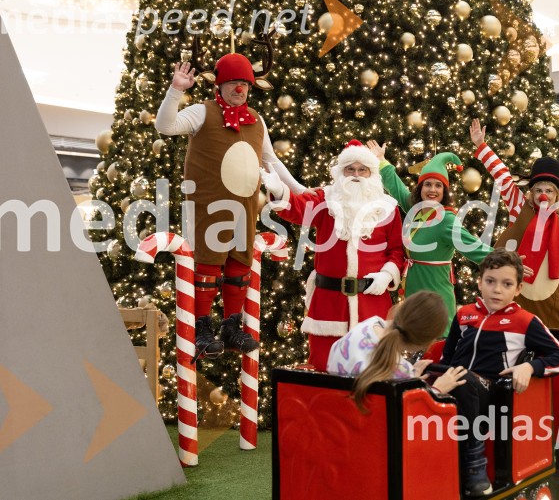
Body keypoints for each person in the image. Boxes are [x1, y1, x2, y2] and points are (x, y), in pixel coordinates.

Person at [155, 58, 306, 360]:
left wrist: (301, 190)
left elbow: (271, 161)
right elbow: (165, 125)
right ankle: (201, 327)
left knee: (240, 266)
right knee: (207, 266)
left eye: (246, 84)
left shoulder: (256, 119)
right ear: (219, 85)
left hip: (245, 207)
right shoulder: (202, 112)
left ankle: (231, 325)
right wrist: (175, 90)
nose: (240, 89)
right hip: (206, 207)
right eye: (234, 83)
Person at [261, 140, 406, 371]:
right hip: (329, 306)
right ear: (341, 172)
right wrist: (280, 191)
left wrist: (386, 276)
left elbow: (397, 251)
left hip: (372, 305)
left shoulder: (388, 208)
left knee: (373, 375)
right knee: (324, 370)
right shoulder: (325, 199)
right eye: (350, 169)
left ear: (371, 174)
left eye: (362, 170)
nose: (356, 175)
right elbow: (298, 209)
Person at [441, 249, 559, 496]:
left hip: (492, 395)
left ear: (518, 289)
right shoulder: (463, 314)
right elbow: (447, 357)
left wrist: (529, 366)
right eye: (490, 282)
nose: (497, 290)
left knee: (463, 379)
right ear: (479, 283)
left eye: (507, 284)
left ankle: (474, 463)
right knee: (444, 377)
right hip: (454, 385)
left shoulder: (525, 321)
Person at [366, 141, 493, 334]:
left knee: (435, 343)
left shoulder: (446, 220)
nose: (432, 190)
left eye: (438, 186)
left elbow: (475, 248)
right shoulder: (416, 211)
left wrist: (510, 262)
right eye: (427, 184)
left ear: (444, 191)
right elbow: (397, 188)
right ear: (420, 188)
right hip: (412, 295)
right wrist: (381, 160)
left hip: (435, 295)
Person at [470, 119, 559, 329]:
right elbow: (502, 175)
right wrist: (481, 145)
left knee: (551, 335)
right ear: (531, 192)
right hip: (519, 287)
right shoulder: (519, 204)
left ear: (556, 194)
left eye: (549, 191)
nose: (543, 195)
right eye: (539, 190)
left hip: (552, 291)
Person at [327, 291, 467, 410]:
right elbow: (412, 420)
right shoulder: (402, 373)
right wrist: (436, 391)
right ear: (425, 343)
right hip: (366, 436)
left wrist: (412, 380)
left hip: (329, 424)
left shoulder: (365, 326)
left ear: (401, 308)